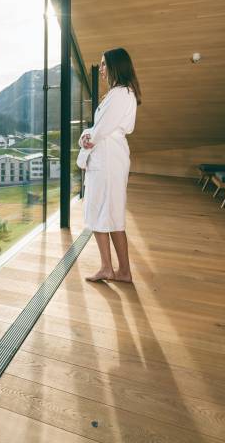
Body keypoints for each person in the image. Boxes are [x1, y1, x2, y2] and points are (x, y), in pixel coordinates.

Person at [79, 48, 141, 283]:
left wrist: (88, 139)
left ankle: (111, 268)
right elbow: (101, 128)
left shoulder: (119, 95)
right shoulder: (123, 93)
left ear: (117, 66)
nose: (101, 69)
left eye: (104, 65)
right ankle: (119, 270)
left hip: (107, 160)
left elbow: (102, 129)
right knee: (111, 214)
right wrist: (90, 136)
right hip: (110, 157)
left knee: (101, 212)